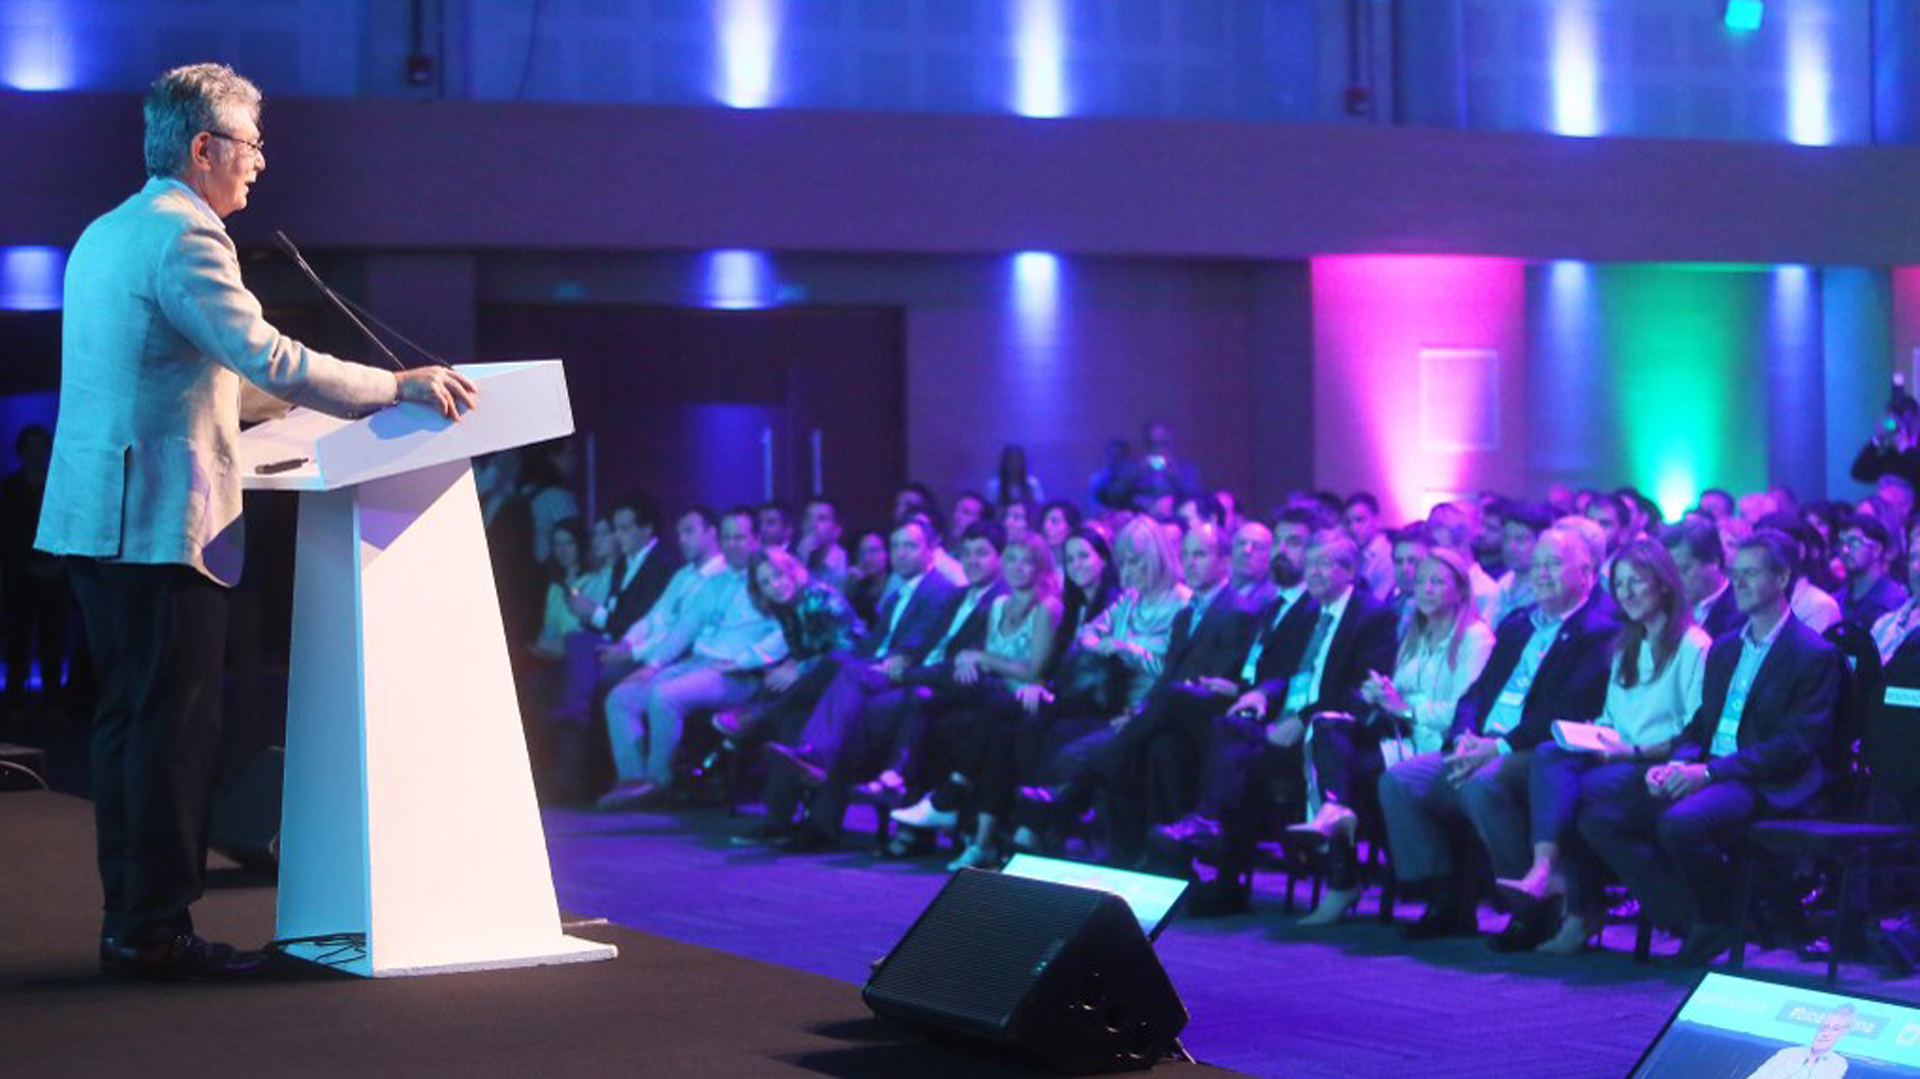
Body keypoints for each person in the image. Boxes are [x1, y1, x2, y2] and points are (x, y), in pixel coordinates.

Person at [35, 63, 477, 980]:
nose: (261, 164)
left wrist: (278, 409)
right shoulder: (187, 237)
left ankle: (133, 921)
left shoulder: (107, 231)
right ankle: (156, 932)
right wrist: (390, 388)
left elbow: (176, 372)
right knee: (174, 734)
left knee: (128, 729)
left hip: (96, 519)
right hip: (157, 521)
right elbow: (265, 353)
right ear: (204, 148)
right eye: (250, 144)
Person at [1578, 530, 1842, 967]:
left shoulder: (1811, 654)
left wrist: (1709, 773)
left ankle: (1716, 919)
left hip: (1763, 779)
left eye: (1751, 574)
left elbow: (1797, 744)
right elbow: (1701, 726)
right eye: (1735, 574)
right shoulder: (1725, 649)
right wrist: (1676, 762)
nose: (1738, 583)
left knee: (1682, 824)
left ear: (1782, 578)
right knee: (1601, 819)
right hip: (1713, 768)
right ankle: (1695, 916)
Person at [1377, 524, 1617, 948]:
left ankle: (1532, 907)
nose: (1541, 574)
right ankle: (1445, 897)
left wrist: (1499, 746)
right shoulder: (1519, 623)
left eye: (1554, 564)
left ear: (1587, 571)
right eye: (1538, 564)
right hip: (1484, 742)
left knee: (1482, 786)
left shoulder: (1599, 630)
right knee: (1401, 780)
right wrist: (1466, 733)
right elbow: (1478, 690)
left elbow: (1569, 707)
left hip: (1537, 751)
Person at [1496, 540, 1711, 953]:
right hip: (1617, 752)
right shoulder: (1627, 643)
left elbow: (1693, 731)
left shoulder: (1692, 645)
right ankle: (1547, 870)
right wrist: (1592, 733)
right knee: (1550, 753)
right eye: (1620, 584)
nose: (1626, 593)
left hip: (1658, 760)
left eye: (1637, 583)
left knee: (1577, 797)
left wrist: (1630, 752)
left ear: (1664, 585)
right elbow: (1614, 717)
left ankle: (1572, 901)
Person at [598, 507, 785, 810]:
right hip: (699, 664)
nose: (732, 544)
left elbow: (784, 631)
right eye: (726, 538)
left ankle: (659, 783)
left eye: (740, 537)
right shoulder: (715, 582)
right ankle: (633, 781)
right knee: (621, 697)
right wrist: (652, 665)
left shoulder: (770, 577)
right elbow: (685, 628)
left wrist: (745, 660)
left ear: (756, 538)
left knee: (664, 696)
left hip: (738, 673)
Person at [2, 424, 65, 710]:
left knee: (53, 642)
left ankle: (53, 704)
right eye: (32, 447)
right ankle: (15, 704)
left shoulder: (58, 488)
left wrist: (60, 565)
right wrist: (23, 567)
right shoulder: (9, 491)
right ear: (22, 451)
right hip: (20, 578)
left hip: (55, 576)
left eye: (41, 447)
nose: (36, 453)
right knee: (18, 641)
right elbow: (7, 536)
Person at [1664, 519, 1745, 638]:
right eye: (1669, 572)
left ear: (1713, 561)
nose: (1673, 581)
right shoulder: (1667, 607)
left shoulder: (1741, 611)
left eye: (1683, 569)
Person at [1836, 514, 1908, 629]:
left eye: (1854, 542)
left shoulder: (1894, 601)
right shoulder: (1837, 600)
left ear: (1877, 550)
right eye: (1841, 543)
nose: (1845, 550)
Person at [1744, 1005, 1854, 1079]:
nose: (1825, 1033)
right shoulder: (1788, 1053)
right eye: (1824, 1027)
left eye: (1835, 1029)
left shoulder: (1837, 1063)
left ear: (1842, 1034)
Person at [1343, 492, 1395, 600]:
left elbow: (1381, 600)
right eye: (1349, 522)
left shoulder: (1387, 556)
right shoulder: (1355, 553)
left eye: (1360, 520)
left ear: (1376, 520)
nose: (1353, 528)